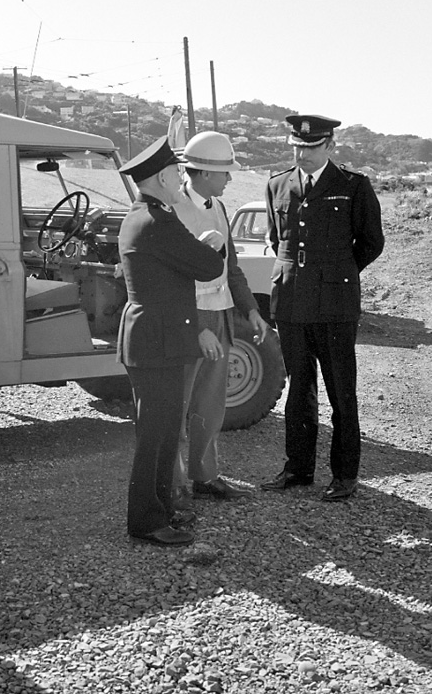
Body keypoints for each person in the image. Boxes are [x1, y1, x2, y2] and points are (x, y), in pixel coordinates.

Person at [260, 115, 384, 501]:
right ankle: (298, 469)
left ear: (330, 146)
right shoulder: (277, 184)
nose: (302, 154)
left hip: (334, 305)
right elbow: (275, 238)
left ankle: (345, 475)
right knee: (299, 390)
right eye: (296, 147)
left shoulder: (352, 185)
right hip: (292, 302)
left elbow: (371, 242)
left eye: (311, 148)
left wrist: (337, 272)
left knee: (341, 391)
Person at [117, 136, 225, 546]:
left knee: (162, 432)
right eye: (177, 172)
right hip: (156, 341)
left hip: (154, 338)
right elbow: (207, 266)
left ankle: (159, 513)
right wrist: (212, 244)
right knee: (155, 436)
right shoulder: (158, 221)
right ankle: (146, 521)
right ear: (162, 177)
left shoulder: (141, 214)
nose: (181, 178)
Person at [173, 131, 270, 504]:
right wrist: (196, 328)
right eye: (225, 172)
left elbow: (232, 269)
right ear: (204, 172)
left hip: (221, 319)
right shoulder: (173, 207)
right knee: (176, 409)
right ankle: (175, 486)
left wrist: (250, 310)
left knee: (210, 408)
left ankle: (204, 476)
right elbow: (171, 279)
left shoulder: (218, 207)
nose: (230, 179)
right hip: (189, 323)